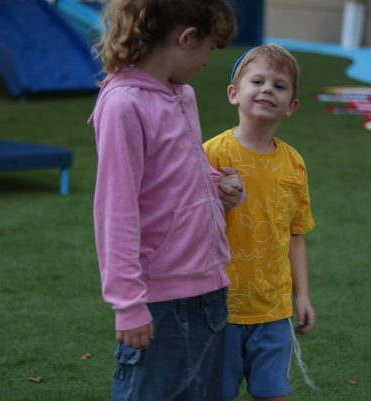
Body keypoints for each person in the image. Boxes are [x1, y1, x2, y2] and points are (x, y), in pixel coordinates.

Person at [89, 1, 244, 400]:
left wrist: (215, 183)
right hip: (161, 303)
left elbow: (183, 168)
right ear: (187, 37)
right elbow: (115, 211)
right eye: (209, 48)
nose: (208, 61)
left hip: (209, 288)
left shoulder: (183, 95)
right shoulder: (125, 105)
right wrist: (128, 304)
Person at [204, 44, 316, 401]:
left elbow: (295, 235)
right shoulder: (212, 153)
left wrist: (302, 294)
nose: (268, 89)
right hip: (218, 307)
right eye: (258, 81)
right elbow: (188, 219)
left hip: (274, 309)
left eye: (279, 86)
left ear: (292, 106)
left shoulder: (294, 164)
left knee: (273, 394)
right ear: (234, 94)